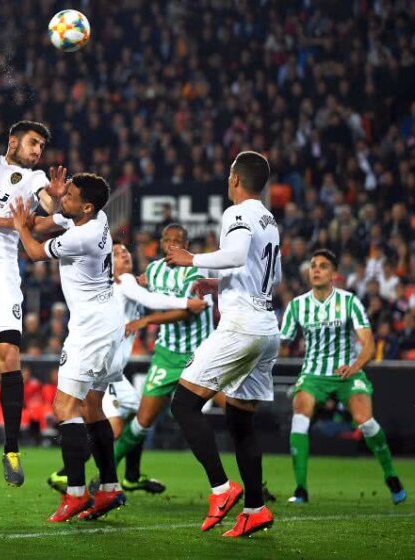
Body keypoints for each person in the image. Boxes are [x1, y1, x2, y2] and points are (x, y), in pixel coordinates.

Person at [164, 151, 280, 537]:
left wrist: (190, 258)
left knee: (183, 403)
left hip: (243, 324)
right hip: (266, 325)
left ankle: (221, 487)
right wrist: (218, 284)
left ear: (235, 179)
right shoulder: (268, 218)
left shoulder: (238, 213)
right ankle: (255, 507)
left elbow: (234, 255)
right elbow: (267, 272)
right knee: (239, 420)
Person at [47, 243, 208, 494]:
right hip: (104, 369)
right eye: (118, 254)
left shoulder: (120, 284)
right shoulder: (124, 281)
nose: (125, 255)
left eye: (127, 252)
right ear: (110, 264)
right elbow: (149, 299)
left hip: (114, 372)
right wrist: (186, 303)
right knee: (115, 426)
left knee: (136, 415)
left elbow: (148, 293)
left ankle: (131, 475)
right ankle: (66, 473)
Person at [11, 173, 125, 522]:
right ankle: (108, 488)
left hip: (90, 329)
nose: (65, 199)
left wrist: (19, 225)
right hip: (109, 321)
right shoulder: (98, 218)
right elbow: (50, 220)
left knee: (64, 407)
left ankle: (76, 493)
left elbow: (32, 250)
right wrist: (50, 204)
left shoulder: (82, 236)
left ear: (86, 207)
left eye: (71, 196)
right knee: (92, 407)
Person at [0, 120, 65, 485]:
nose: (37, 151)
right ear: (13, 140)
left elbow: (51, 217)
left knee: (9, 357)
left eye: (41, 147)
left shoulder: (35, 180)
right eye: (33, 143)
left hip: (1, 272)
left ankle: (12, 449)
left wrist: (58, 198)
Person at [281, 249, 406, 505]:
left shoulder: (349, 302)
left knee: (366, 422)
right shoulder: (297, 305)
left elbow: (368, 345)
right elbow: (281, 342)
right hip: (313, 374)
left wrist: (355, 365)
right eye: (313, 265)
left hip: (348, 373)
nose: (315, 269)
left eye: (323, 266)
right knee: (300, 417)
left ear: (334, 274)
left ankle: (391, 475)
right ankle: (301, 489)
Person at [111, 224, 215, 492]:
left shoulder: (197, 271)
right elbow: (139, 286)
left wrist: (146, 320)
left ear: (186, 243)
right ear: (160, 243)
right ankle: (106, 476)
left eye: (177, 241)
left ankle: (250, 483)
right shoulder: (155, 271)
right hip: (166, 356)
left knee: (236, 409)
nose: (171, 245)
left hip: (201, 356)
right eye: (167, 240)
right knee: (141, 422)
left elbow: (187, 312)